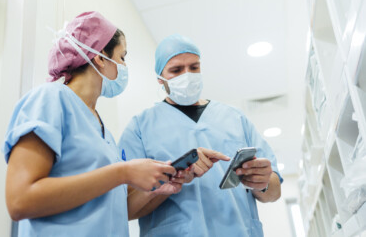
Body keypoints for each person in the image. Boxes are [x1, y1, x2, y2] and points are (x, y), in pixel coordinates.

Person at [2, 12, 228, 237]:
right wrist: (123, 172)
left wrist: (163, 187)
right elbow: (20, 200)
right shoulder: (50, 99)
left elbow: (119, 209)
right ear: (101, 57)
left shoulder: (104, 132)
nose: (124, 66)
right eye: (122, 57)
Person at [118, 34, 283, 237]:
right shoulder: (140, 127)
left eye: (194, 67)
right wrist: (169, 180)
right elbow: (125, 208)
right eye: (176, 70)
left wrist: (263, 182)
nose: (187, 75)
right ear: (160, 79)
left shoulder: (234, 118)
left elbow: (274, 192)